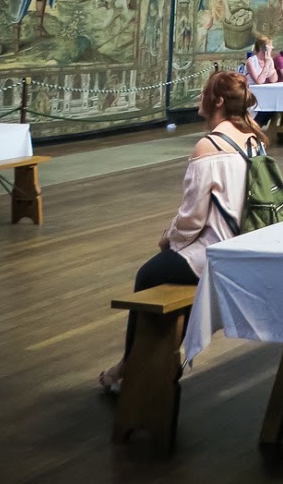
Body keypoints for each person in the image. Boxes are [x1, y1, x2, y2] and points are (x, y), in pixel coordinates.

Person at [99, 70, 263, 394]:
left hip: (214, 250)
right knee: (164, 275)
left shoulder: (209, 146)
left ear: (216, 101)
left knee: (148, 275)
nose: (199, 98)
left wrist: (167, 239)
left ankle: (132, 366)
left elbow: (192, 219)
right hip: (246, 243)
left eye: (204, 92)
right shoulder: (255, 139)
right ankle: (158, 359)